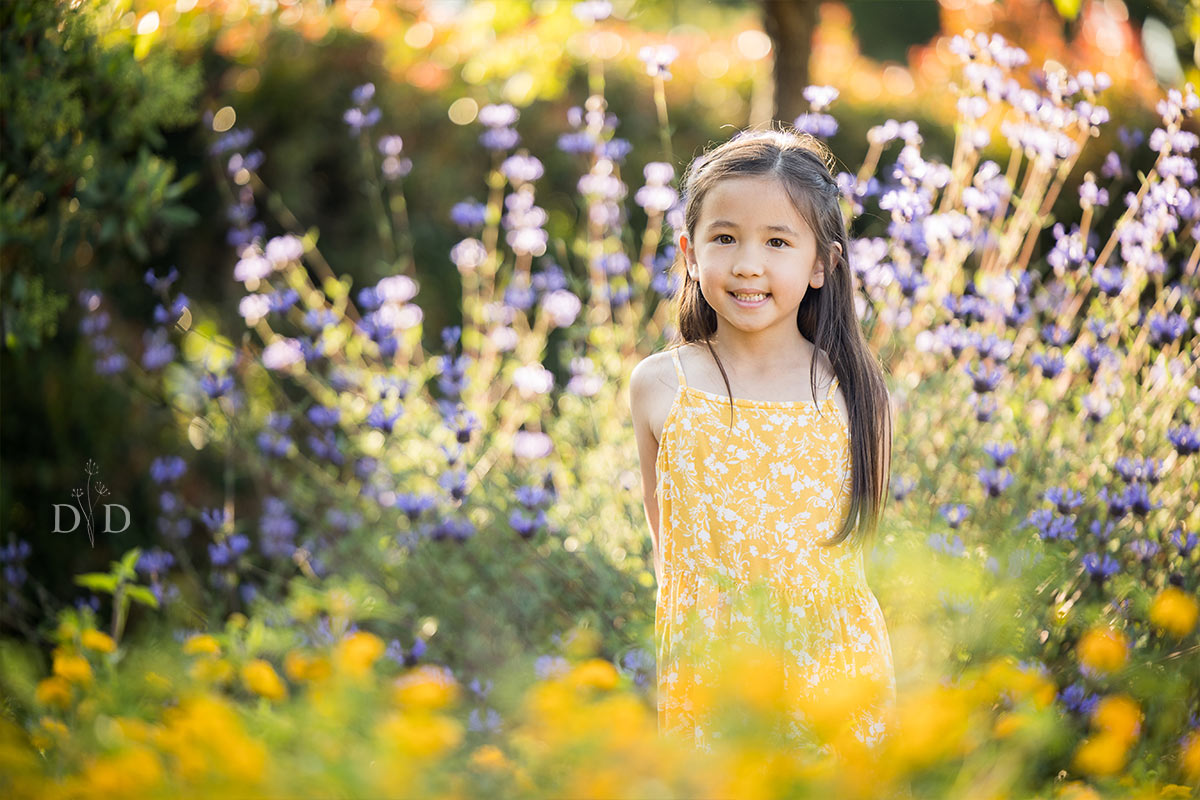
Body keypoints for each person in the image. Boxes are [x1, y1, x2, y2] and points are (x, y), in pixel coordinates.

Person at [629, 127, 898, 762]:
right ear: (689, 253)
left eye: (777, 242)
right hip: (710, 680)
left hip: (834, 683)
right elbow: (669, 551)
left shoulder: (852, 391)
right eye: (724, 238)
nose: (748, 263)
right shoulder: (661, 386)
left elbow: (861, 547)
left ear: (821, 265)